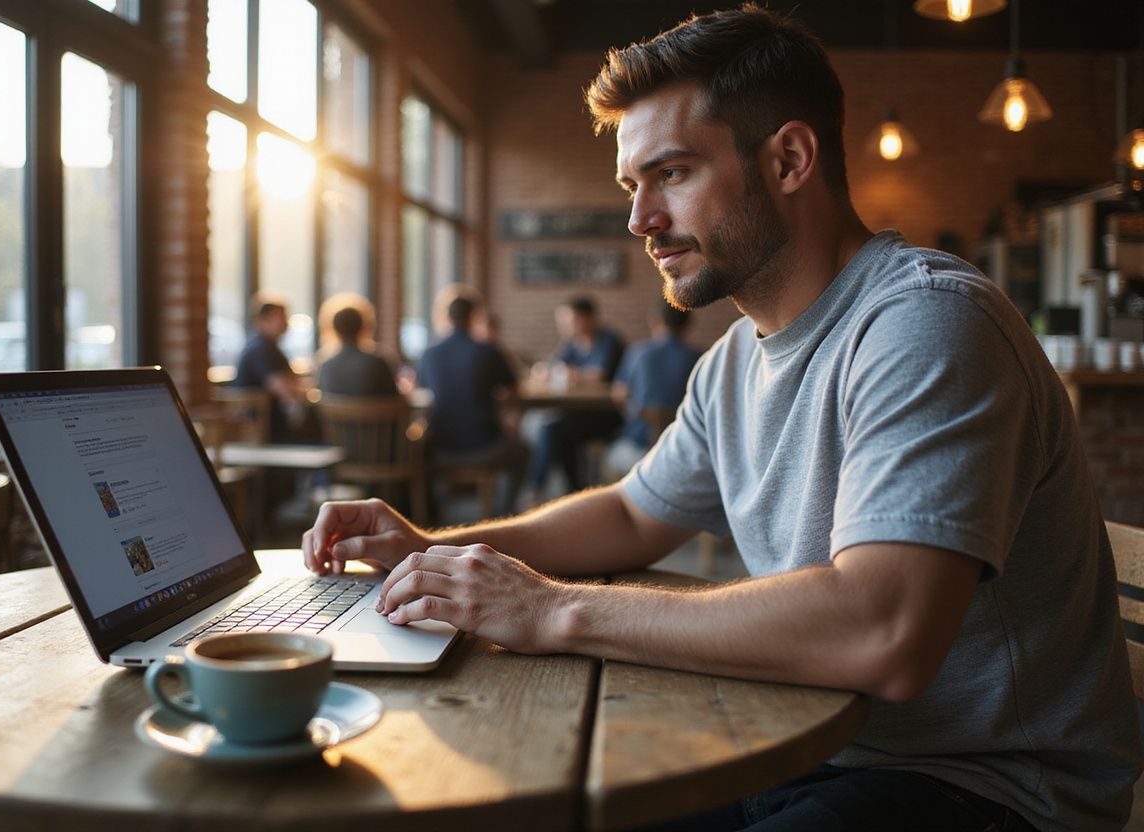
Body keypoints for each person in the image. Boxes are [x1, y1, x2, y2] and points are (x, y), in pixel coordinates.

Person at [302, 6, 1141, 831]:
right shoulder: (736, 360)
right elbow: (632, 513)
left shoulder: (926, 322)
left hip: (985, 787)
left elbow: (885, 630)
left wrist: (549, 609)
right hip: (806, 746)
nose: (641, 221)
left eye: (671, 173)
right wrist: (433, 551)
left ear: (789, 159)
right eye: (634, 186)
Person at [418, 288, 528, 518]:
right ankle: (504, 515)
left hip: (441, 447)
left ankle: (434, 516)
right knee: (524, 451)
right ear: (475, 317)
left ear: (445, 317)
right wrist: (511, 422)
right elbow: (515, 391)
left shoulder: (429, 354)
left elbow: (420, 392)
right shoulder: (488, 351)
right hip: (485, 447)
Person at [527, 295, 625, 494]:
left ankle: (536, 490)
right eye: (562, 322)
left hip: (607, 416)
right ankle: (575, 491)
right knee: (556, 432)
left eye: (569, 321)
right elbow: (556, 366)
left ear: (588, 318)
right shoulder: (571, 344)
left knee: (551, 430)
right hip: (578, 412)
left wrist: (573, 374)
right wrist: (546, 371)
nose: (564, 327)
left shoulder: (609, 341)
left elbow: (600, 374)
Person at [602, 302, 702, 479]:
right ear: (689, 325)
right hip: (685, 448)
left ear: (654, 322)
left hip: (638, 447)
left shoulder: (637, 352)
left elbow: (620, 394)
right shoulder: (700, 358)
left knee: (610, 458)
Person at [232, 292, 309, 442]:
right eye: (281, 317)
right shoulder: (260, 349)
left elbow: (291, 381)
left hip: (269, 422)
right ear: (263, 320)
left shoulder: (269, 347)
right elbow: (281, 387)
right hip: (261, 427)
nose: (286, 322)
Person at [314, 294, 399, 398]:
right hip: (373, 414)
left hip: (337, 415)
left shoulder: (325, 367)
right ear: (364, 326)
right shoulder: (378, 363)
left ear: (334, 329)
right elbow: (395, 399)